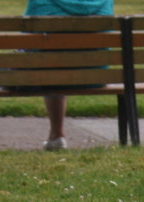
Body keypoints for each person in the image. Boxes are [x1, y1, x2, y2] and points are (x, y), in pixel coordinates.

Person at [24, 0, 115, 150]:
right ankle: (56, 135)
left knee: (51, 66)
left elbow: (26, 37)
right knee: (55, 65)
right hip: (96, 75)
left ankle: (57, 135)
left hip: (50, 75)